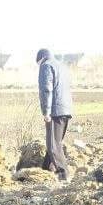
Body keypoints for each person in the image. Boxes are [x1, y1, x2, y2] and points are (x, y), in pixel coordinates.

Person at [36, 48, 73, 181]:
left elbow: (46, 90)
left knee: (53, 146)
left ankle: (64, 175)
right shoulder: (61, 66)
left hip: (55, 111)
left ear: (40, 59)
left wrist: (46, 112)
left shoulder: (46, 66)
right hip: (66, 109)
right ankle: (44, 171)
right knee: (54, 142)